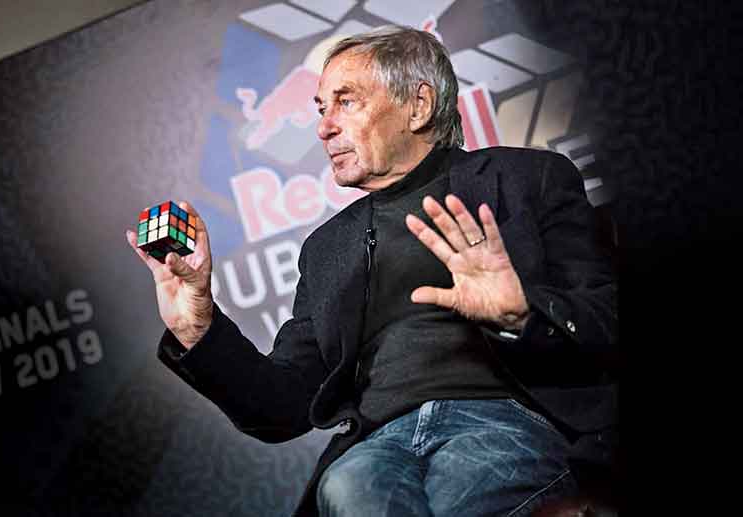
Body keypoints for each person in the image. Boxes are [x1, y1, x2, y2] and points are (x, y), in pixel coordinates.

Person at [126, 26, 617, 517]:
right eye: (321, 108)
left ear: (418, 106)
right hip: (377, 444)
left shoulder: (527, 180)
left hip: (506, 417)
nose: (323, 127)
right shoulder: (326, 249)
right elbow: (282, 405)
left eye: (346, 101)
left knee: (461, 494)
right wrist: (198, 326)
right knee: (346, 485)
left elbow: (605, 316)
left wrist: (519, 317)